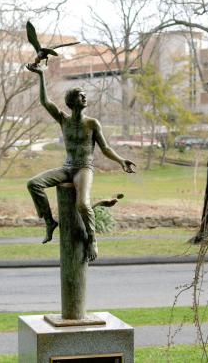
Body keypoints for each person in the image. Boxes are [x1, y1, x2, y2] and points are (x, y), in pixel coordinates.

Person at [26, 63, 136, 262]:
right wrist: (41, 74)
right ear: (71, 101)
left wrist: (121, 161)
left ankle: (92, 239)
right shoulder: (63, 120)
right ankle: (50, 222)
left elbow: (105, 148)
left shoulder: (92, 123)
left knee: (83, 204)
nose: (85, 97)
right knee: (33, 183)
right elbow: (45, 101)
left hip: (84, 168)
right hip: (67, 167)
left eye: (85, 95)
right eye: (80, 95)